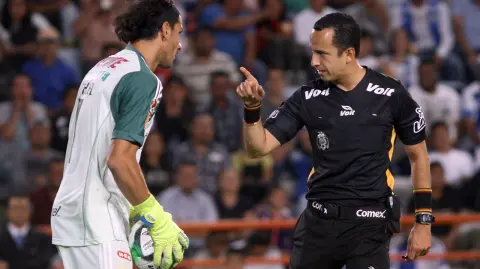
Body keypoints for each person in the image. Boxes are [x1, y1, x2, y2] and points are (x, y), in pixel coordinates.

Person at [235, 13, 434, 269]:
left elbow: (419, 157)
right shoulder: (307, 96)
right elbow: (257, 148)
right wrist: (252, 110)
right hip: (317, 225)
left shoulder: (392, 94)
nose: (313, 61)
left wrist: (423, 222)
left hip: (369, 227)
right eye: (312, 53)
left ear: (349, 54)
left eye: (322, 54)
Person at [50, 1, 189, 269]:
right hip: (95, 216)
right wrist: (154, 214)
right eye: (179, 33)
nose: (180, 44)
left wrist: (132, 210)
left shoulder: (104, 66)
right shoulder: (143, 79)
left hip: (78, 210)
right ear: (165, 30)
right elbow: (119, 160)